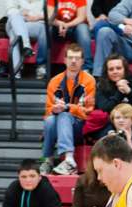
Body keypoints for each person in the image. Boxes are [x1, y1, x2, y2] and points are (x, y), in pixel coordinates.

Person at [39, 43, 96, 176]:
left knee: (64, 115)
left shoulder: (89, 81)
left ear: (82, 61)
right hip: (58, 125)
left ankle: (69, 161)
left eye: (77, 58)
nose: (73, 61)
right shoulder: (54, 82)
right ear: (64, 60)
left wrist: (67, 108)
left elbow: (88, 112)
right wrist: (55, 110)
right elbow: (47, 112)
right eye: (70, 57)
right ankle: (47, 159)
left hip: (80, 127)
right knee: (50, 121)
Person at [5, 0, 48, 80]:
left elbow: (49, 11)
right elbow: (10, 9)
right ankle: (26, 45)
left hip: (35, 24)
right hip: (16, 22)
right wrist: (20, 13)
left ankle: (15, 73)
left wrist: (36, 17)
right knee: (15, 17)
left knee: (15, 34)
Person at [48, 0, 93, 72]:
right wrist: (60, 24)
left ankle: (86, 68)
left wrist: (67, 25)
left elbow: (81, 17)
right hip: (58, 28)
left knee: (83, 28)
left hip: (74, 28)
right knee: (47, 28)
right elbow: (50, 17)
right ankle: (44, 66)